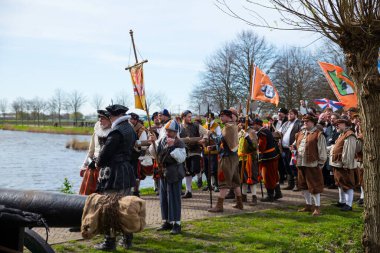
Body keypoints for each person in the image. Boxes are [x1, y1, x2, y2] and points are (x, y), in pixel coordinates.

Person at [94, 104, 137, 251]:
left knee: (110, 208)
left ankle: (109, 242)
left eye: (110, 116)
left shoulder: (116, 132)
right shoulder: (130, 128)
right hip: (126, 170)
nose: (109, 118)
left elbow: (104, 156)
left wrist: (97, 162)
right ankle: (127, 239)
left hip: (115, 173)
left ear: (117, 116)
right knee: (125, 207)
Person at [149, 120, 186, 235]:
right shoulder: (162, 141)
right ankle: (166, 222)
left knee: (174, 199)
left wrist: (171, 147)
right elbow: (155, 154)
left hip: (174, 173)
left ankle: (177, 224)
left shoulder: (179, 143)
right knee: (164, 198)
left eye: (171, 131)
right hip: (163, 173)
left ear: (176, 132)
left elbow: (181, 158)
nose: (168, 133)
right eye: (167, 130)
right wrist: (153, 143)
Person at [208, 109, 243, 212]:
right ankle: (239, 203)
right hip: (234, 157)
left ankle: (219, 206)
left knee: (223, 181)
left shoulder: (228, 127)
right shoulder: (234, 126)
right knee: (235, 181)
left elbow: (220, 140)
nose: (220, 118)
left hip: (227, 158)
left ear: (228, 116)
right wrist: (214, 147)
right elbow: (225, 143)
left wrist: (211, 134)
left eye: (222, 116)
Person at [294, 114, 327, 216]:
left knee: (314, 187)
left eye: (307, 121)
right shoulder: (300, 133)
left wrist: (320, 163)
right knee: (303, 186)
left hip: (312, 164)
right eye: (304, 121)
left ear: (313, 122)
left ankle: (317, 208)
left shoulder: (318, 134)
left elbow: (322, 151)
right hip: (301, 163)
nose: (305, 123)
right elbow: (296, 145)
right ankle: (308, 205)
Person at [79, 110, 112, 195]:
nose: (100, 120)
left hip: (107, 168)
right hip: (93, 167)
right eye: (99, 118)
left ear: (109, 119)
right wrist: (84, 166)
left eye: (103, 118)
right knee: (88, 194)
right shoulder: (96, 132)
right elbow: (91, 151)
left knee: (103, 194)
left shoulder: (114, 133)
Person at [330, 117, 357, 211]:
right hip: (337, 164)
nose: (337, 125)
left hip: (344, 165)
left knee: (347, 184)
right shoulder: (341, 134)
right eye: (336, 123)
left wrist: (346, 165)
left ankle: (349, 205)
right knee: (339, 183)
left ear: (346, 125)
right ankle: (342, 201)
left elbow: (349, 152)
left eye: (339, 123)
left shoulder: (350, 135)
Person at [179, 110, 208, 198]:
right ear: (183, 117)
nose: (190, 118)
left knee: (195, 168)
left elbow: (207, 132)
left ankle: (199, 176)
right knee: (187, 172)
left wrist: (204, 139)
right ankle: (188, 191)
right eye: (188, 116)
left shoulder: (196, 125)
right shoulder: (179, 127)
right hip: (184, 151)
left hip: (195, 150)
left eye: (191, 116)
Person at [252, 118, 282, 202]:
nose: (253, 127)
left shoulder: (262, 133)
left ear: (257, 125)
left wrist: (255, 145)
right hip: (273, 156)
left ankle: (270, 195)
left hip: (268, 158)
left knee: (268, 177)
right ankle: (278, 193)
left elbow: (262, 147)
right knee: (274, 175)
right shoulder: (266, 130)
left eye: (254, 125)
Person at [238, 118, 259, 206]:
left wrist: (247, 138)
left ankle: (254, 197)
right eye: (240, 122)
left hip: (250, 158)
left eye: (243, 122)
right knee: (242, 179)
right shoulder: (240, 132)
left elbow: (254, 146)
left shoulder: (251, 132)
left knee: (251, 178)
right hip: (241, 158)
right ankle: (243, 196)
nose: (241, 124)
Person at [280, 109, 302, 191]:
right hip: (285, 149)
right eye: (288, 114)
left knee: (294, 166)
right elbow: (279, 133)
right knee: (287, 167)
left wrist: (295, 146)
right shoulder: (286, 123)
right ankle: (290, 184)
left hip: (293, 149)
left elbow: (300, 135)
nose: (289, 115)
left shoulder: (299, 123)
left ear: (296, 115)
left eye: (291, 114)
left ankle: (298, 184)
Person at [129, 112, 148, 197]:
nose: (131, 120)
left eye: (133, 119)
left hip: (137, 154)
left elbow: (143, 143)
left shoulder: (141, 129)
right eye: (130, 119)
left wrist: (141, 154)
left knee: (136, 173)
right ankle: (130, 190)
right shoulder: (128, 127)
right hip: (129, 153)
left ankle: (135, 191)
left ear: (136, 120)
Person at [202, 112, 222, 192]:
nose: (207, 119)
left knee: (214, 168)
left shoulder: (216, 126)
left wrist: (212, 133)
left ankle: (216, 184)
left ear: (212, 117)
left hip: (213, 150)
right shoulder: (204, 126)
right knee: (206, 168)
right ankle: (208, 184)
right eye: (206, 117)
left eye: (208, 117)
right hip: (205, 149)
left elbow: (219, 137)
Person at [325, 113, 341, 189]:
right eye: (331, 118)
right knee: (329, 167)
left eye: (334, 118)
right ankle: (332, 182)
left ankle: (337, 183)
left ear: (337, 119)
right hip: (328, 150)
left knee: (334, 167)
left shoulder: (339, 128)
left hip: (336, 150)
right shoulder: (328, 128)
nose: (332, 119)